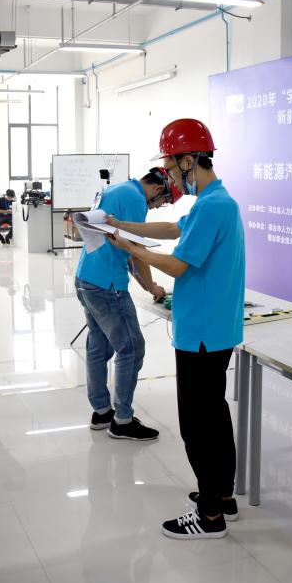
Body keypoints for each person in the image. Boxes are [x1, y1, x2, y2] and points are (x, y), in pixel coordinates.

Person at [106, 119, 245, 539]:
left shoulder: (213, 206)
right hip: (215, 328)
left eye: (170, 166)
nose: (168, 176)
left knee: (198, 425)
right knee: (215, 416)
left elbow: (178, 265)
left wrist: (129, 248)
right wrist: (122, 224)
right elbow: (173, 229)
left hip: (200, 332)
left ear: (189, 160)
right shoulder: (216, 201)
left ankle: (209, 516)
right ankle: (222, 495)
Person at [76, 167, 179, 441]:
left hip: (87, 277)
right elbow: (138, 250)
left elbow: (127, 250)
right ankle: (122, 420)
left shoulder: (117, 189)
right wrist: (152, 286)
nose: (156, 207)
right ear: (157, 189)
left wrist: (147, 285)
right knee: (131, 348)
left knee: (99, 346)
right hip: (108, 285)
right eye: (162, 202)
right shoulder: (134, 198)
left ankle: (101, 411)